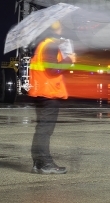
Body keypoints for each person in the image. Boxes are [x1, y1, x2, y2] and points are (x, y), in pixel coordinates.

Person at [28, 22, 76, 173]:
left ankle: (39, 163)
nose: (62, 29)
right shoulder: (51, 45)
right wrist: (69, 60)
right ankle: (46, 163)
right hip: (48, 94)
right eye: (59, 27)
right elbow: (53, 69)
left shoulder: (42, 45)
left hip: (41, 92)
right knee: (45, 130)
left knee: (41, 128)